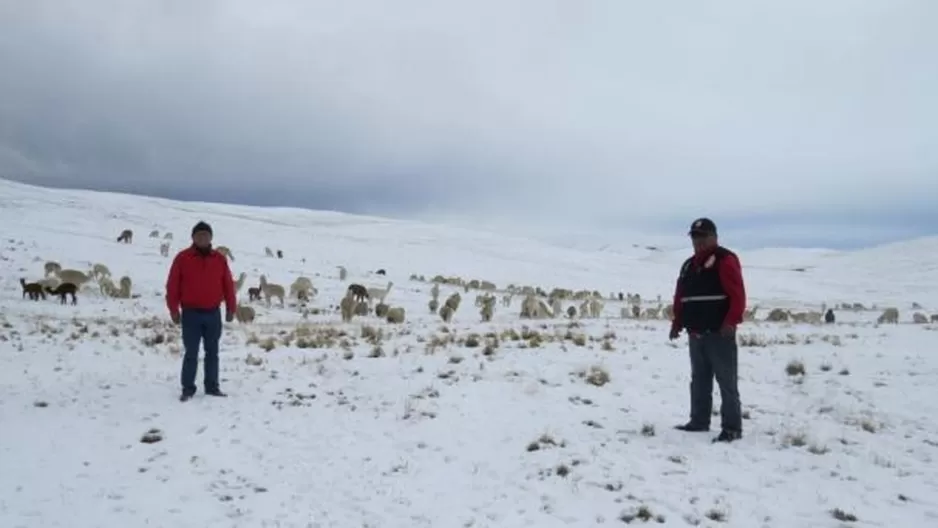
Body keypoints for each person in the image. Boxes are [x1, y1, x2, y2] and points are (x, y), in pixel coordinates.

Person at [668, 218, 746, 443]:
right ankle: (699, 420)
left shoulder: (725, 260)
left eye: (703, 236)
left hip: (719, 332)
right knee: (699, 380)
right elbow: (681, 296)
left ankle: (732, 427)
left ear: (714, 237)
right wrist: (677, 322)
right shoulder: (688, 265)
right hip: (696, 332)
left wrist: (731, 321)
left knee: (726, 382)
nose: (698, 241)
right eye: (695, 237)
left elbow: (737, 295)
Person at [165, 221, 237, 402]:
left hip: (213, 313)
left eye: (206, 235)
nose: (203, 238)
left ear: (211, 237)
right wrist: (173, 309)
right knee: (191, 352)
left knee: (212, 352)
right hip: (191, 313)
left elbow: (228, 284)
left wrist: (231, 307)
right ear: (193, 238)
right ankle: (188, 388)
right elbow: (172, 285)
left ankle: (212, 387)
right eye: (199, 235)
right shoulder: (182, 258)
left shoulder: (219, 259)